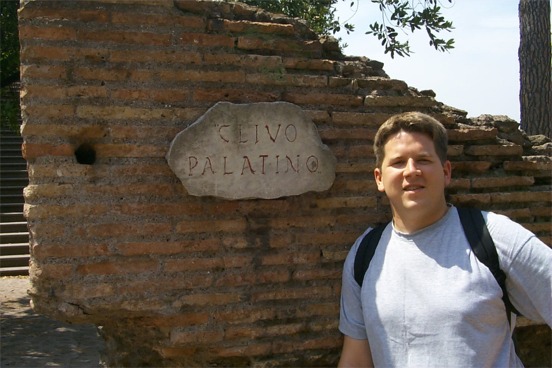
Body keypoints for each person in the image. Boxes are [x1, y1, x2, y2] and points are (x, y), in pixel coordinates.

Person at [338, 112, 552, 367]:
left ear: (446, 172)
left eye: (423, 159)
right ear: (379, 179)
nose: (411, 171)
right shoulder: (366, 253)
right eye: (398, 162)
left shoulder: (494, 236)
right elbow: (356, 360)